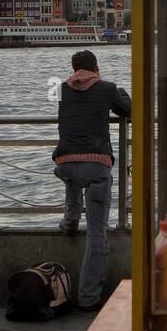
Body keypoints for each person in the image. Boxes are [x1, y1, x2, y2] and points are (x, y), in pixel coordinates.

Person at [53, 49, 132, 312]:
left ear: (74, 69)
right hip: (97, 165)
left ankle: (71, 219)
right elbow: (127, 110)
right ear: (96, 68)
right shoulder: (106, 88)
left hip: (64, 162)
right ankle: (88, 298)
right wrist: (120, 92)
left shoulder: (61, 89)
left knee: (73, 176)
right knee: (97, 233)